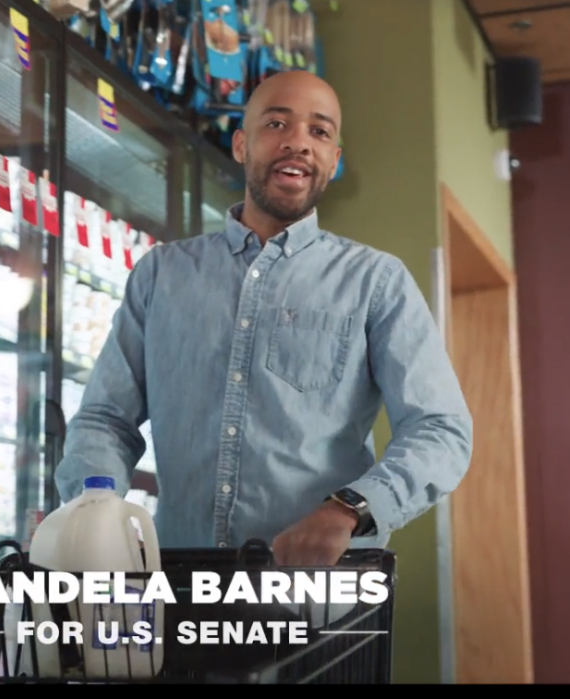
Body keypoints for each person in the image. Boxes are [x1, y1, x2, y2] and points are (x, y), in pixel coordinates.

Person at [54, 70, 472, 566]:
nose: (298, 143)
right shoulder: (161, 274)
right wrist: (94, 506)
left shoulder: (376, 281)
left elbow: (440, 429)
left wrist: (350, 509)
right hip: (183, 586)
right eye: (277, 124)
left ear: (334, 161)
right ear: (240, 145)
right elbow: (106, 417)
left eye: (319, 131)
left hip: (319, 600)